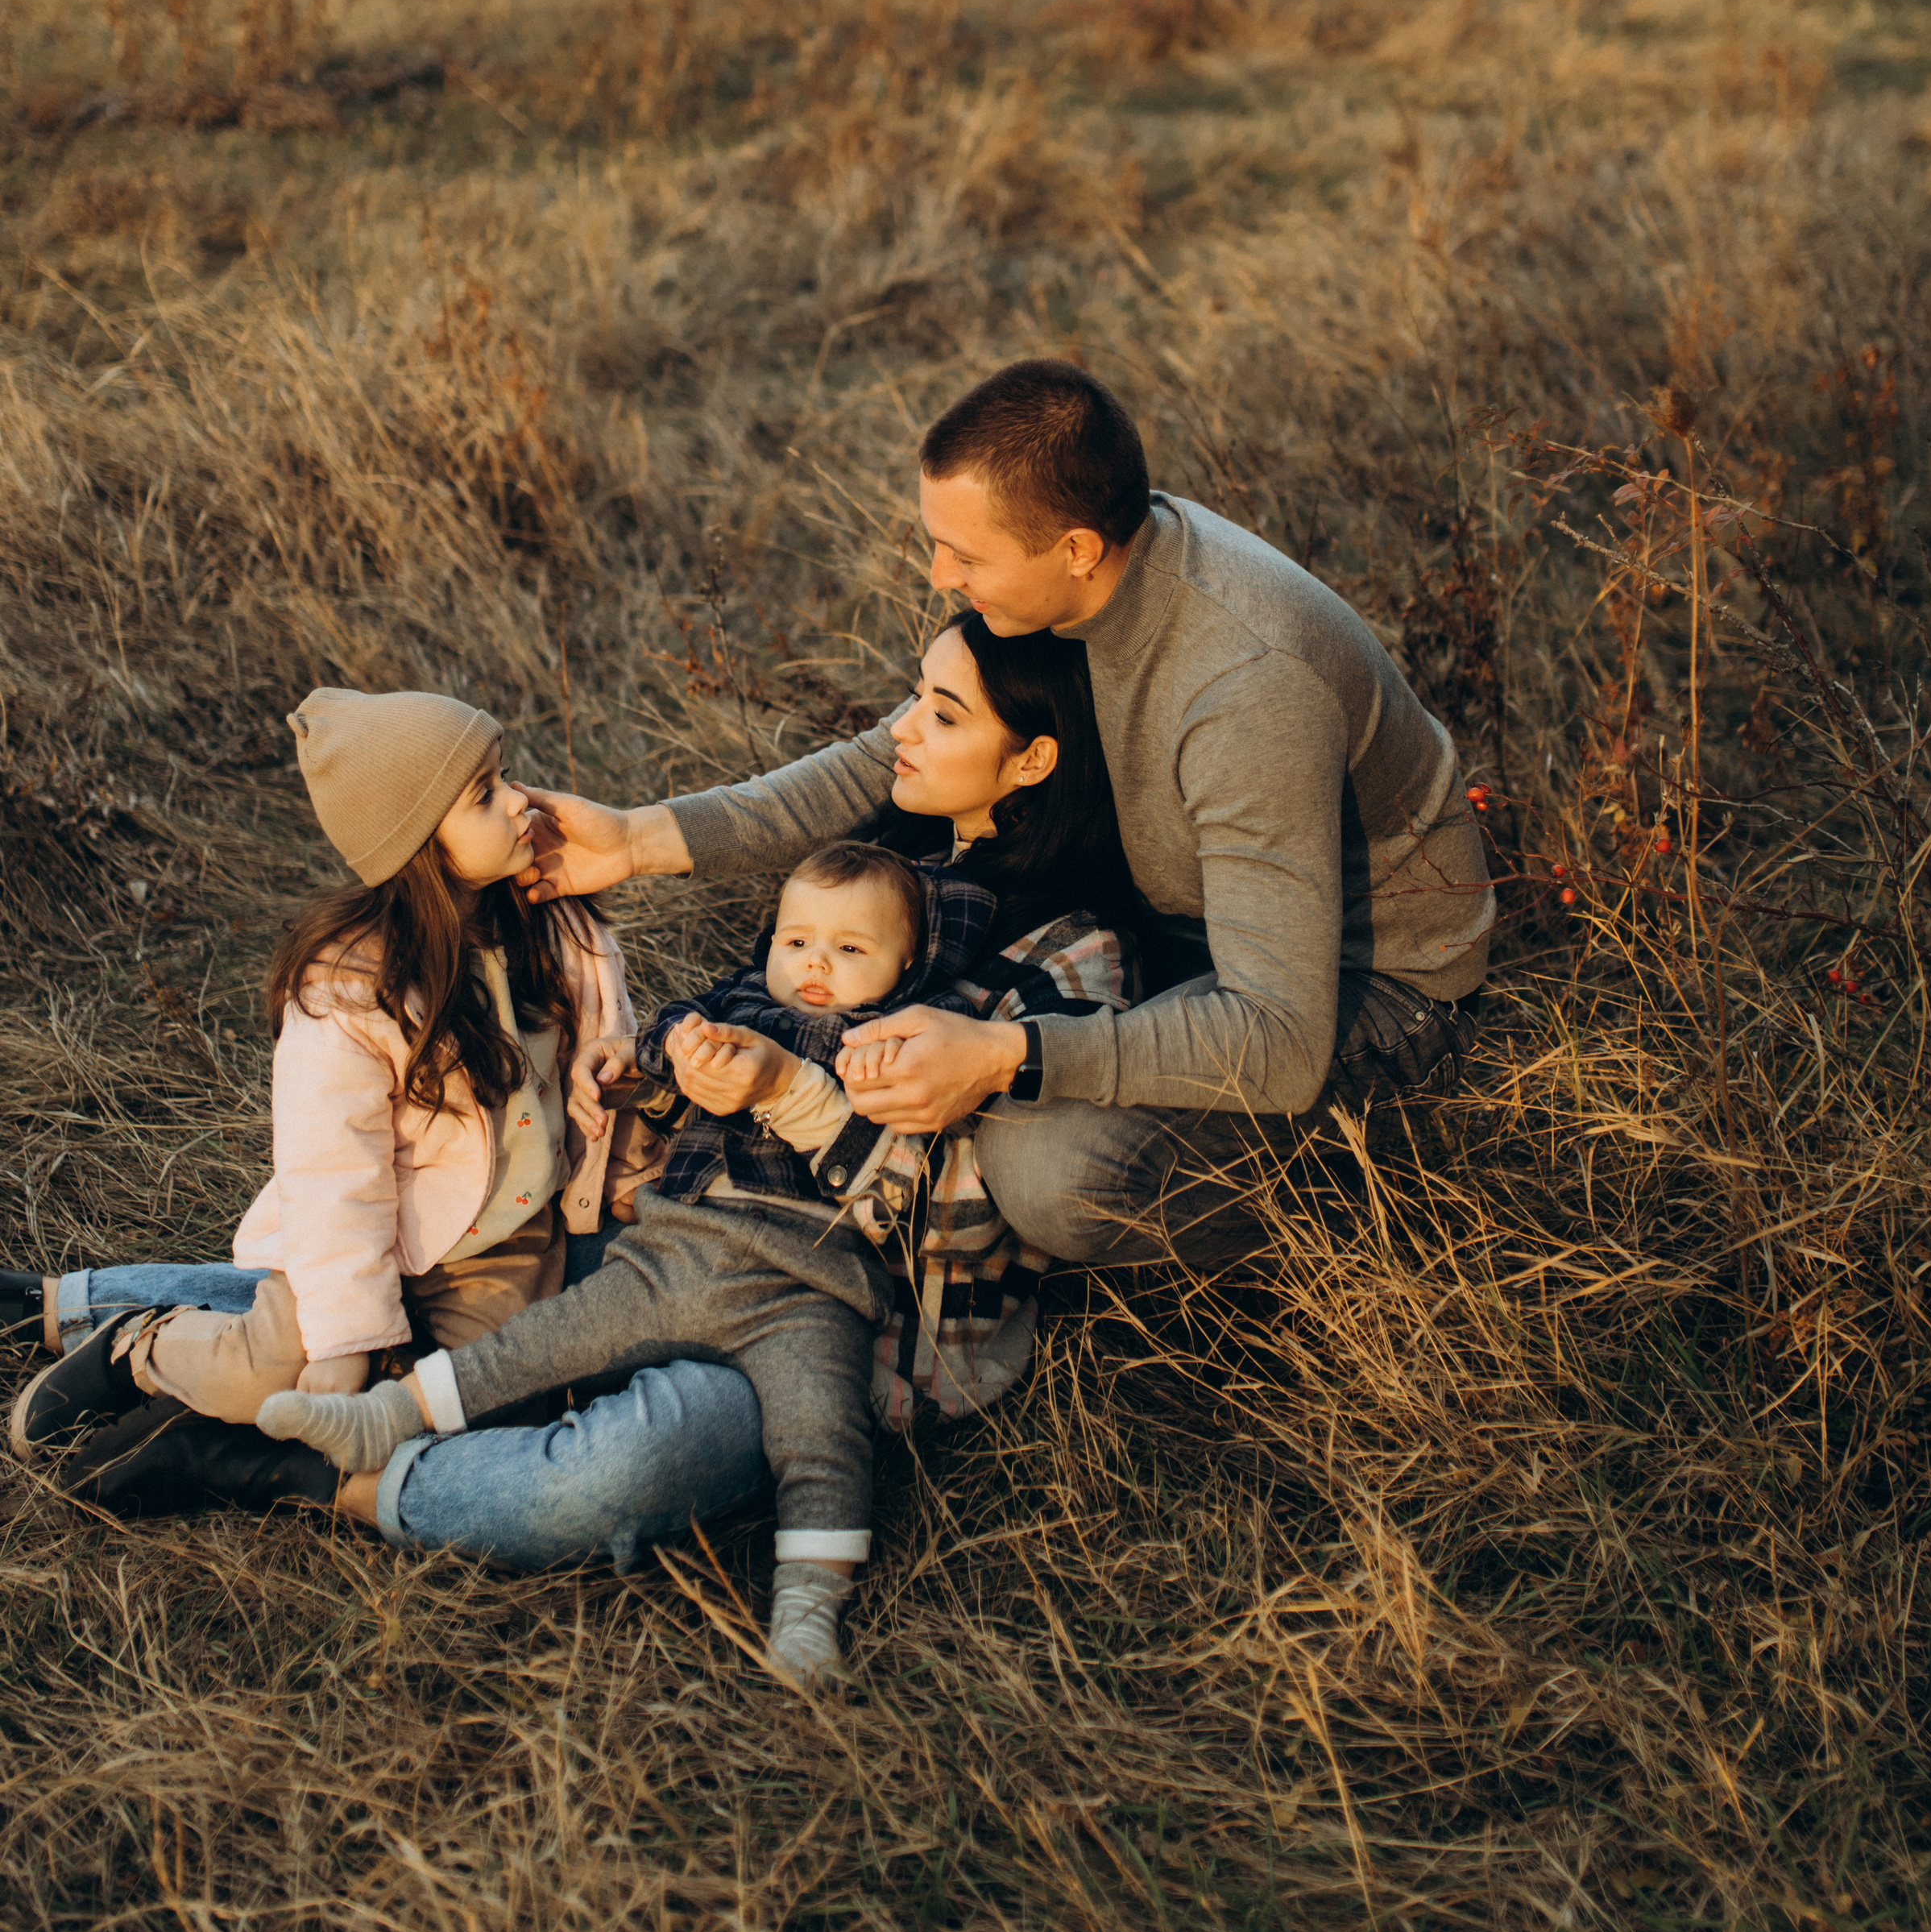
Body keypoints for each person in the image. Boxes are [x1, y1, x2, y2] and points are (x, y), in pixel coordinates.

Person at [8, 618, 1138, 1584]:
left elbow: (970, 1221)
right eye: (914, 697)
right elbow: (729, 1026)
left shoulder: (1068, 955)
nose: (897, 727)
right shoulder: (867, 868)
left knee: (631, 1465)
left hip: (829, 1316)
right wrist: (664, 1071)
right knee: (400, 1286)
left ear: (1033, 760)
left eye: (941, 713)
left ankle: (295, 1466)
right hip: (672, 1237)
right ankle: (95, 1313)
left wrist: (788, 1094)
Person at [525, 359, 1495, 1275]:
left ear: (1074, 549)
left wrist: (1014, 1056)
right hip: (1192, 937)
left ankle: (1365, 1203)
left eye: (963, 553)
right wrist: (638, 838)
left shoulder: (1242, 688)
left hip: (1363, 997)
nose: (940, 577)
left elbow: (1278, 1036)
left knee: (1044, 1168)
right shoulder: (1073, 589)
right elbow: (882, 761)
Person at [263, 840, 1005, 1689]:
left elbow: (913, 1179)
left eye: (850, 950)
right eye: (795, 941)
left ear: (905, 964)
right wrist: (640, 1072)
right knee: (541, 1342)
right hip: (679, 1249)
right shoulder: (734, 1010)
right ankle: (382, 1418)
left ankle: (807, 1609)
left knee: (824, 1437)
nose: (814, 968)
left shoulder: (905, 1046)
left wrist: (806, 1089)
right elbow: (660, 1069)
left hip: (811, 1292)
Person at [8, 687, 637, 1516]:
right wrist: (347, 1339)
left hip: (502, 1250)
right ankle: (139, 1347)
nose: (520, 801)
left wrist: (626, 1078)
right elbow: (336, 1179)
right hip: (365, 1235)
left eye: (506, 775)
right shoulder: (351, 989)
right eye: (484, 795)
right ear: (417, 844)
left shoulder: (564, 934)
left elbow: (611, 1065)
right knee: (277, 1369)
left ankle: (201, 1445)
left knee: (469, 1408)